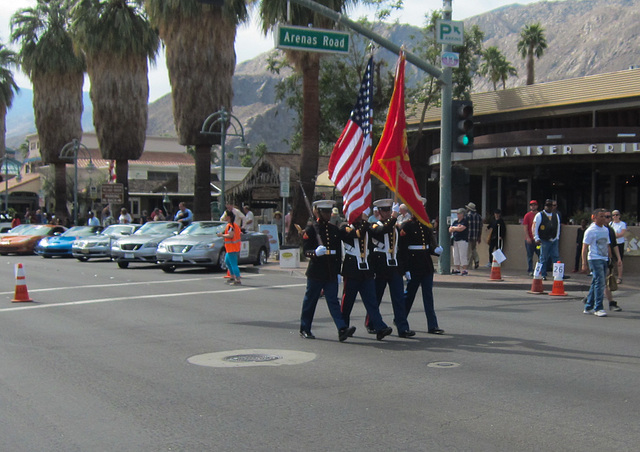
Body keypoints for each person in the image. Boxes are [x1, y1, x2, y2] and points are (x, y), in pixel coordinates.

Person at [299, 200, 356, 342]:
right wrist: (315, 253)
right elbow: (305, 251)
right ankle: (305, 328)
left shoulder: (334, 229)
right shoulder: (311, 229)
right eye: (325, 212)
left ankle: (342, 328)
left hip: (330, 272)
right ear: (318, 212)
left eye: (329, 212)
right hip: (316, 272)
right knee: (310, 301)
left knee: (333, 301)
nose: (328, 215)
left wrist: (338, 272)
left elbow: (337, 254)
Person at [340, 212, 393, 341]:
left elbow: (383, 230)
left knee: (372, 302)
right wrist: (364, 222)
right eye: (358, 214)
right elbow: (357, 235)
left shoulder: (369, 227)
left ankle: (380, 327)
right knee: (347, 302)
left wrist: (394, 217)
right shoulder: (345, 228)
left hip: (367, 270)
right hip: (352, 270)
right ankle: (343, 328)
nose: (360, 216)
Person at [368, 198, 414, 338]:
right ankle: (372, 323)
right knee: (376, 297)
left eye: (389, 210)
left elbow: (401, 249)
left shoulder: (396, 227)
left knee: (399, 298)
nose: (388, 213)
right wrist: (394, 216)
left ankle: (402, 327)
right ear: (379, 212)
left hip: (395, 266)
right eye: (385, 210)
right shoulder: (374, 225)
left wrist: (405, 268)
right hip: (380, 265)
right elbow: (383, 230)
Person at [400, 199, 445, 335]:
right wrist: (405, 269)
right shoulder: (406, 226)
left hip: (426, 264)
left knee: (428, 296)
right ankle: (400, 319)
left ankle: (432, 325)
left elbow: (427, 246)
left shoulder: (426, 225)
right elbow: (403, 250)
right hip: (413, 265)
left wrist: (434, 251)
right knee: (409, 296)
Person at [581, 208, 611, 317]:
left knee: (596, 282)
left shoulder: (605, 230)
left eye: (605, 216)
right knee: (600, 282)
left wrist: (610, 258)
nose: (604, 219)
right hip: (594, 258)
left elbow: (607, 245)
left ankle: (588, 306)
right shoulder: (590, 230)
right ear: (594, 217)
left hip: (604, 258)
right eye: (601, 216)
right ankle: (598, 307)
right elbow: (584, 247)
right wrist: (584, 263)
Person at [533, 199, 561, 280]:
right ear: (545, 206)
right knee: (543, 257)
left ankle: (557, 275)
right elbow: (535, 227)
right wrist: (536, 238)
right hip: (544, 239)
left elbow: (558, 227)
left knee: (556, 257)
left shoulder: (556, 215)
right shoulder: (539, 215)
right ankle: (543, 274)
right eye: (547, 205)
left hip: (554, 239)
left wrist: (557, 237)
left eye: (550, 205)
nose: (549, 207)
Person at [603, 211, 623, 311]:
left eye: (608, 217)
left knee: (600, 281)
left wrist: (618, 258)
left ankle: (590, 298)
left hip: (607, 258)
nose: (608, 218)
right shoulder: (597, 229)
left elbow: (614, 245)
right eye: (605, 216)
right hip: (598, 258)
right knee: (603, 281)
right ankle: (611, 302)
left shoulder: (610, 230)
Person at [217, 210, 242, 285]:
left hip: (232, 248)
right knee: (227, 261)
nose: (224, 217)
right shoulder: (230, 225)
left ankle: (237, 279)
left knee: (233, 264)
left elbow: (231, 235)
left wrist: (222, 235)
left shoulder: (231, 226)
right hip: (230, 248)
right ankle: (232, 277)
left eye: (225, 216)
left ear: (229, 217)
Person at [448, 208, 469, 275]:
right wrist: (456, 228)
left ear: (462, 214)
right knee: (455, 255)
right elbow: (450, 229)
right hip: (455, 239)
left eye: (459, 213)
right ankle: (457, 269)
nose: (458, 215)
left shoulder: (465, 221)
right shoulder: (455, 222)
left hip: (462, 240)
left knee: (462, 255)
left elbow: (461, 229)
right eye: (457, 213)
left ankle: (465, 269)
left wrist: (455, 228)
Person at [523, 200, 540, 276]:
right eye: (531, 205)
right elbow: (525, 227)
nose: (533, 206)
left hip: (538, 240)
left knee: (540, 255)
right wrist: (528, 237)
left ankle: (539, 270)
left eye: (534, 205)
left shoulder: (540, 215)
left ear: (537, 206)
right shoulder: (527, 215)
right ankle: (530, 270)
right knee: (530, 256)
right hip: (530, 239)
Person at [610, 209, 626, 283]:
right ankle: (611, 276)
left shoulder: (622, 224)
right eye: (613, 215)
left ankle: (619, 277)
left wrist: (614, 236)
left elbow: (622, 233)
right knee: (611, 260)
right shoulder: (610, 224)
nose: (615, 216)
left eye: (617, 215)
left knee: (619, 260)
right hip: (612, 244)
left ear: (619, 216)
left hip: (619, 244)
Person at [465, 202, 482, 269]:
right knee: (473, 249)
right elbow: (480, 228)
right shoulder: (479, 217)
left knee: (469, 251)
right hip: (475, 236)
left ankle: (469, 265)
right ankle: (477, 260)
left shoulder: (467, 216)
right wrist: (479, 237)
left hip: (468, 236)